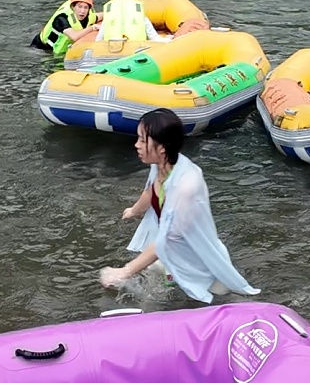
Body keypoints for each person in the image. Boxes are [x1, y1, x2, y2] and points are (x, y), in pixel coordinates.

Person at [99, 108, 261, 304]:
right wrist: (134, 210)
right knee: (154, 297)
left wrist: (125, 271)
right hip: (172, 256)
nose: (136, 145)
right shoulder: (161, 164)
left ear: (161, 147)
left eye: (142, 140)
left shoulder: (186, 186)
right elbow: (150, 190)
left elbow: (166, 239)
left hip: (202, 265)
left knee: (220, 302)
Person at [95, 0, 172, 42]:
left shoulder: (109, 13)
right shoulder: (138, 11)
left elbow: (99, 39)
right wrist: (167, 39)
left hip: (112, 47)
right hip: (137, 48)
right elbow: (153, 37)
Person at [30, 0, 102, 55]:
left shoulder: (87, 16)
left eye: (85, 7)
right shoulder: (62, 18)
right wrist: (93, 28)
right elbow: (74, 36)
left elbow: (101, 16)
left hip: (61, 51)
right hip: (41, 50)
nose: (82, 11)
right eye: (79, 7)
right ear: (73, 7)